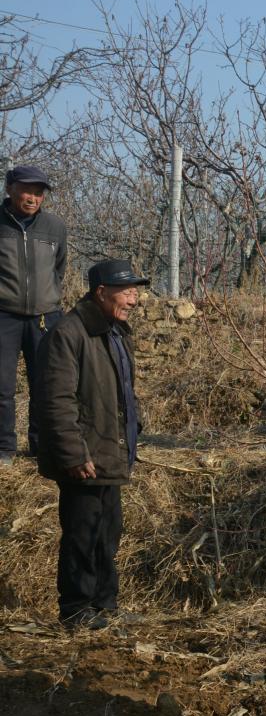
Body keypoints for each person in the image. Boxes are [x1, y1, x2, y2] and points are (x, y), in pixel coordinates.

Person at [33, 259, 150, 630]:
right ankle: (76, 607)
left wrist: (133, 432)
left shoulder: (117, 331)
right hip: (85, 455)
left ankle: (104, 604)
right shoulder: (68, 333)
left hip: (110, 451)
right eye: (126, 292)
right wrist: (73, 453)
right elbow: (55, 401)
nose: (133, 299)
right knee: (82, 534)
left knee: (108, 533)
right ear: (101, 292)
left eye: (136, 292)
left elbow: (124, 394)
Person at [0, 166, 68, 464]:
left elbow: (59, 269)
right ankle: (4, 449)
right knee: (2, 388)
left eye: (39, 192)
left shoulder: (54, 227)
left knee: (46, 385)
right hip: (4, 317)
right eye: (27, 190)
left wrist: (46, 299)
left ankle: (41, 448)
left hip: (45, 317)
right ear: (10, 188)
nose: (33, 197)